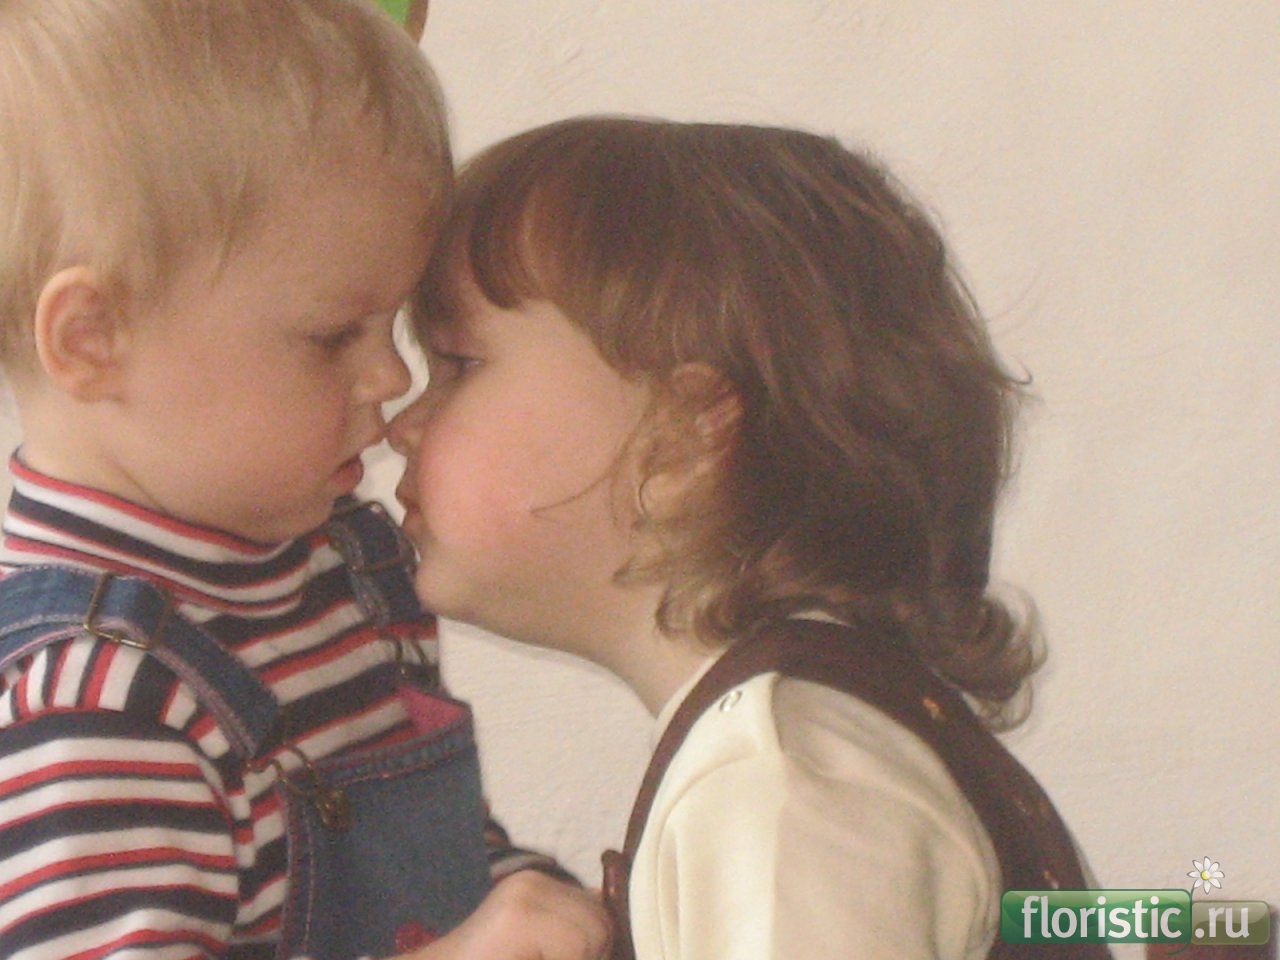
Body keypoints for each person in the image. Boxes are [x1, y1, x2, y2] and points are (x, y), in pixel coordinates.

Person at [388, 115, 1099, 960]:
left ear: (683, 436)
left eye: (458, 364)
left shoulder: (784, 782)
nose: (401, 424)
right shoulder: (808, 741)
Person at [0, 3, 609, 959]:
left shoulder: (337, 565)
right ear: (91, 340)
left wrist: (537, 900)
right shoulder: (97, 701)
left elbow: (430, 870)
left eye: (392, 325)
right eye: (332, 337)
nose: (392, 376)